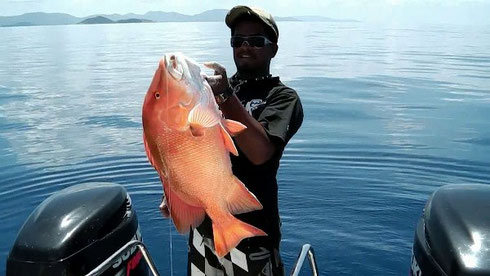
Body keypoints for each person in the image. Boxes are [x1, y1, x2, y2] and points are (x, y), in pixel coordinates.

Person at [162, 5, 304, 276]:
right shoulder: (209, 90)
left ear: (273, 48)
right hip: (203, 232)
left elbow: (261, 152)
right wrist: (175, 190)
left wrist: (225, 93)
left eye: (255, 41)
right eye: (237, 41)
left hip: (250, 235)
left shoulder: (283, 98)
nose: (245, 47)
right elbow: (186, 146)